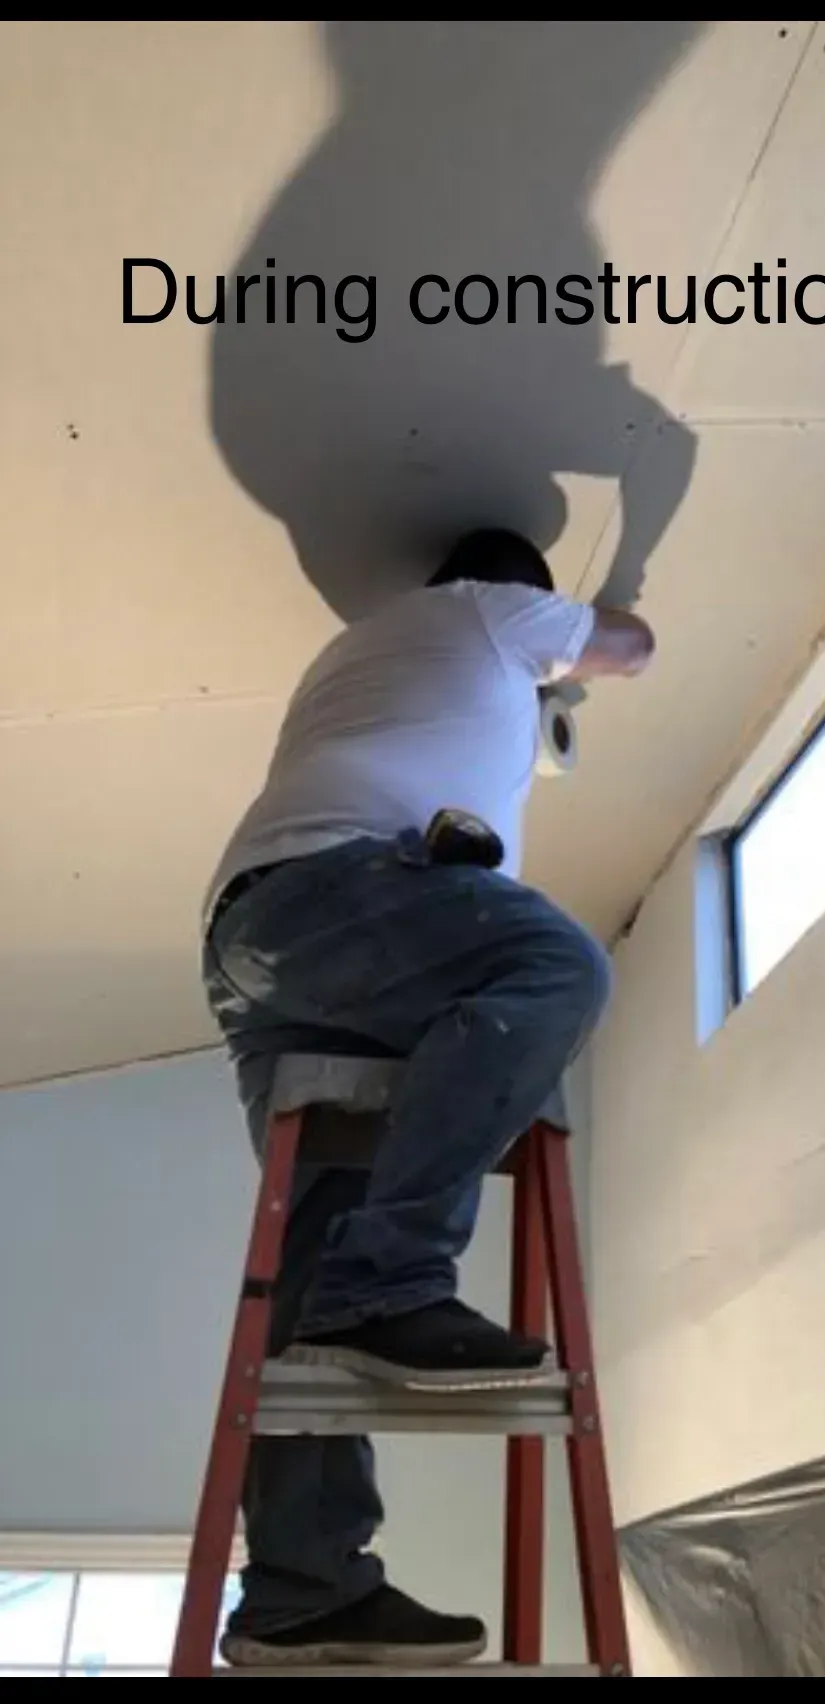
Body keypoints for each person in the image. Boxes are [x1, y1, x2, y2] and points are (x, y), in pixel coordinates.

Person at [200, 528, 655, 1669]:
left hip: (265, 944)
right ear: (509, 589)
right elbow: (633, 647)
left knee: (309, 1277)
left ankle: (305, 1591)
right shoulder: (491, 612)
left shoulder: (359, 658)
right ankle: (396, 1282)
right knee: (555, 969)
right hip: (340, 889)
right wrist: (592, 621)